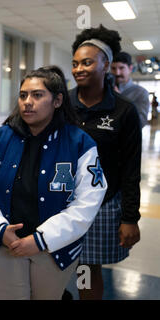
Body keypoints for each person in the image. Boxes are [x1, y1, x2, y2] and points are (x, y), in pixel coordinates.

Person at [0, 65, 107, 300]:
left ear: (57, 100)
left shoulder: (79, 143)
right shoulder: (0, 138)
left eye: (37, 95)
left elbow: (88, 203)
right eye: (23, 95)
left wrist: (41, 239)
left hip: (54, 249)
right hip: (4, 244)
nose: (27, 102)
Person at [70, 25, 142, 300]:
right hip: (58, 200)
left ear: (107, 64)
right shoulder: (61, 105)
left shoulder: (124, 111)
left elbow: (131, 169)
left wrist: (129, 217)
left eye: (87, 62)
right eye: (75, 63)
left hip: (101, 203)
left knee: (87, 269)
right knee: (51, 265)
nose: (79, 69)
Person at [111, 52, 150, 128]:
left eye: (121, 68)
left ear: (130, 68)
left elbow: (141, 122)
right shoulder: (104, 90)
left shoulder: (141, 93)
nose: (117, 73)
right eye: (113, 68)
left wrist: (120, 100)